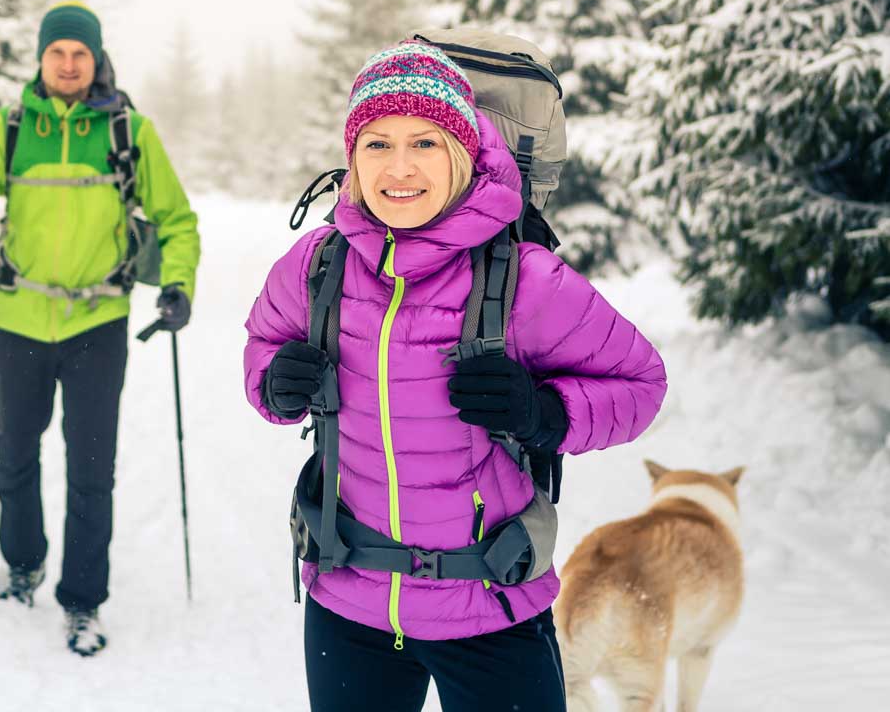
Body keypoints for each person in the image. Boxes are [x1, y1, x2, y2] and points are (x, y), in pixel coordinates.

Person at [243, 41, 667, 711]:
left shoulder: (525, 279)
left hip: (490, 605)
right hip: (350, 602)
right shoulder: (317, 265)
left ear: (463, 152)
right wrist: (273, 384)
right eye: (377, 144)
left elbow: (640, 386)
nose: (400, 167)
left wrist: (545, 414)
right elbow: (264, 343)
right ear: (352, 158)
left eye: (425, 142)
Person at [0, 2, 201, 657]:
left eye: (80, 53)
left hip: (97, 325)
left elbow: (177, 219)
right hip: (19, 320)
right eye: (58, 52)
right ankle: (23, 565)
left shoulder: (128, 131)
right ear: (42, 57)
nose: (69, 63)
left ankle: (83, 602)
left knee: (91, 472)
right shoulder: (8, 128)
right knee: (14, 458)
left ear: (96, 57)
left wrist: (177, 286)